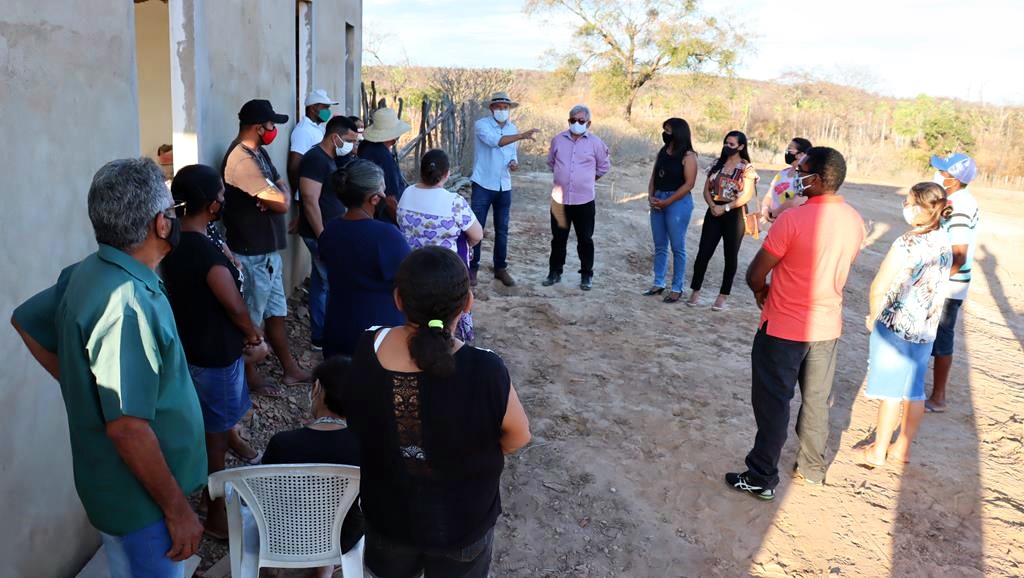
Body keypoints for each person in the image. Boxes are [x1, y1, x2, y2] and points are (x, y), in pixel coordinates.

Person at [11, 158, 206, 577]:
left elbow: (25, 319)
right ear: (160, 224)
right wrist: (177, 511)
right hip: (142, 502)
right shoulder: (126, 304)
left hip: (115, 485)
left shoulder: (91, 270)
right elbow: (128, 428)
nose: (175, 217)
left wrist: (80, 384)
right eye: (173, 210)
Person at [343, 246, 531, 578]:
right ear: (468, 303)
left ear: (398, 299)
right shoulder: (486, 368)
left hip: (388, 518)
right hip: (461, 524)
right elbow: (518, 437)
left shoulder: (367, 346)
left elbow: (358, 417)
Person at [726, 146, 865, 499]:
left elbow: (756, 273)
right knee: (817, 401)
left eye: (802, 170)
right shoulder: (855, 220)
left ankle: (761, 476)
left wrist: (762, 292)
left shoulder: (793, 219)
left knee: (774, 404)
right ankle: (812, 469)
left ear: (817, 180)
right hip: (827, 327)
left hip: (784, 327)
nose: (795, 175)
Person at [161, 164, 270, 537]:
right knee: (215, 432)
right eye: (221, 195)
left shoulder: (175, 241)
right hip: (216, 353)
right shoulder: (204, 254)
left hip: (193, 345)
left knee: (216, 420)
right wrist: (253, 336)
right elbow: (234, 305)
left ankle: (225, 463)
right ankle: (217, 511)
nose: (224, 200)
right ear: (210, 205)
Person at [221, 99, 310, 396]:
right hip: (252, 254)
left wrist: (275, 194)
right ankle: (248, 376)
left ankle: (289, 369)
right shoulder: (241, 160)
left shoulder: (258, 153)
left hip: (267, 253)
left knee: (275, 312)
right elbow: (283, 202)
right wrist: (276, 196)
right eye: (271, 125)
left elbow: (282, 191)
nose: (274, 131)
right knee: (251, 317)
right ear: (259, 128)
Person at [861, 182, 953, 466]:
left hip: (896, 325)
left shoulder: (907, 242)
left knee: (889, 392)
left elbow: (879, 286)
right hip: (925, 328)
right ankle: (901, 448)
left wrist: (873, 317)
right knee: (913, 391)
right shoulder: (943, 239)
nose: (905, 207)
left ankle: (878, 450)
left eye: (909, 201)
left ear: (922, 208)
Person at [263, 357, 364, 578]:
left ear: (316, 388)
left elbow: (266, 498)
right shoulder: (366, 448)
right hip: (340, 540)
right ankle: (325, 567)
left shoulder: (282, 444)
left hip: (286, 537)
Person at [319, 159, 411, 358]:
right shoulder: (386, 235)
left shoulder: (331, 229)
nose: (385, 195)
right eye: (383, 190)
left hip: (338, 326)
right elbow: (411, 280)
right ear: (374, 198)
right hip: (380, 332)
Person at [398, 149, 484, 341]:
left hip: (414, 267)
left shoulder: (407, 194)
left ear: (421, 171)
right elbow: (477, 234)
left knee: (419, 313)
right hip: (447, 271)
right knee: (447, 315)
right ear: (447, 174)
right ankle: (450, 342)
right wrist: (466, 244)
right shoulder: (454, 202)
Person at [297, 115, 361, 351]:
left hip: (328, 233)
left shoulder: (331, 158)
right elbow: (309, 200)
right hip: (319, 235)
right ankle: (323, 335)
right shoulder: (316, 159)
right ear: (335, 138)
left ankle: (321, 333)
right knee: (328, 281)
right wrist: (323, 237)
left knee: (321, 281)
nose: (353, 145)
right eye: (349, 140)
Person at [925, 153, 981, 413]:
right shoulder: (955, 200)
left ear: (955, 180)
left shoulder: (959, 206)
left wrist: (935, 281)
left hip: (950, 284)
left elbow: (958, 253)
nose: (939, 176)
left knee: (942, 338)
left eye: (943, 173)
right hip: (947, 280)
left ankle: (938, 398)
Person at [468, 91, 540, 287]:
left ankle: (500, 268)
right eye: (498, 107)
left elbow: (511, 154)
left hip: (504, 185)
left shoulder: (512, 128)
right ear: (491, 108)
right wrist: (522, 136)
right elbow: (495, 142)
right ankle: (472, 267)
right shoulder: (482, 125)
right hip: (483, 183)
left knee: (502, 229)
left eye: (505, 107)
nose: (502, 110)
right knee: (476, 228)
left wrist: (513, 163)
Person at [687, 130, 759, 311]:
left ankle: (723, 295)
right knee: (704, 252)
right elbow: (706, 189)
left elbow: (747, 195)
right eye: (726, 142)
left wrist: (725, 207)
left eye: (732, 144)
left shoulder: (746, 169)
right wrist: (712, 205)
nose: (727, 146)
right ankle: (695, 290)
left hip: (734, 213)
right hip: (714, 210)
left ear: (741, 147)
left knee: (730, 255)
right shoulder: (716, 164)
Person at [543, 104, 611, 290]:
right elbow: (551, 162)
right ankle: (555, 272)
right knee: (558, 239)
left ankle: (586, 275)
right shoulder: (558, 140)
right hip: (560, 200)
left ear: (588, 123)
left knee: (585, 239)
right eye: (573, 120)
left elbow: (604, 166)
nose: (577, 123)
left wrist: (588, 179)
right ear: (568, 121)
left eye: (581, 121)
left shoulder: (596, 143)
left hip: (584, 201)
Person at [643, 117, 698, 303]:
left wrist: (668, 202)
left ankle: (677, 287)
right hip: (658, 198)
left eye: (668, 130)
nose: (665, 134)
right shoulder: (663, 151)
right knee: (659, 245)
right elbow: (654, 176)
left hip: (678, 202)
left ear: (678, 132)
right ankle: (658, 282)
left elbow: (689, 184)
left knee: (677, 247)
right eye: (664, 129)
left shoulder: (688, 156)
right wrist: (651, 195)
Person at [359, 107, 411, 223]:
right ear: (393, 138)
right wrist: (401, 224)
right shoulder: (384, 158)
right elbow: (390, 200)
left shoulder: (365, 146)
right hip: (383, 215)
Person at [288, 88, 339, 192]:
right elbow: (293, 167)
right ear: (312, 108)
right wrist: (302, 194)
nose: (328, 111)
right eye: (325, 107)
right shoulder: (303, 131)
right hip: (311, 193)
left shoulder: (319, 128)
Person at [760, 137, 812, 223]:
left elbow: (795, 202)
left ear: (801, 155)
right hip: (774, 222)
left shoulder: (805, 178)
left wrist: (773, 214)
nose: (787, 152)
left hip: (790, 223)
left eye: (789, 149)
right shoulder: (782, 173)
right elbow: (769, 195)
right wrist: (765, 209)